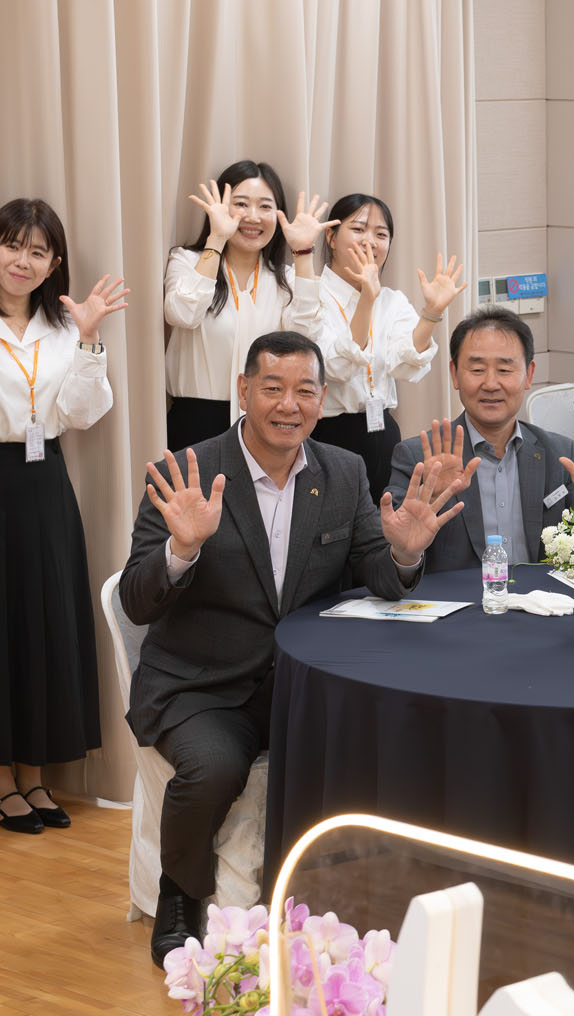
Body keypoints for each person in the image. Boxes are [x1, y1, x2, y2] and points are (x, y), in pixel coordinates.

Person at [123, 330, 469, 966]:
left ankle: (345, 896)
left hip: (304, 683)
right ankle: (179, 896)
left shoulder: (342, 471)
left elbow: (376, 571)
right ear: (243, 391)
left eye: (305, 391)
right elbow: (136, 600)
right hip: (203, 685)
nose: (289, 405)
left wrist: (404, 551)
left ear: (322, 397)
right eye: (273, 388)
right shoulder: (189, 471)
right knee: (213, 769)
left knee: (389, 743)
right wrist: (182, 549)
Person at [0, 197, 129, 835]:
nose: (22, 260)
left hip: (45, 484)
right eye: (12, 245)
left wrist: (90, 338)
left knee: (47, 621)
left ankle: (36, 774)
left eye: (37, 251)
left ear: (54, 264)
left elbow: (80, 413)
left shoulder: (64, 325)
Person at [385, 307, 574, 569]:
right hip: (459, 596)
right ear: (455, 374)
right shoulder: (418, 458)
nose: (491, 384)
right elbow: (390, 565)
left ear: (529, 375)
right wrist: (406, 553)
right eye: (477, 369)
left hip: (543, 595)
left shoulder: (560, 454)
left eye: (505, 370)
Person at [163, 161, 330, 451]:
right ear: (221, 208)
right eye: (241, 204)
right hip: (197, 420)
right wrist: (217, 238)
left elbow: (306, 339)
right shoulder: (187, 261)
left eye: (265, 207)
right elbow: (183, 314)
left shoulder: (287, 279)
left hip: (267, 422)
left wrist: (303, 253)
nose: (253, 217)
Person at [311, 192, 467, 502]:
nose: (370, 241)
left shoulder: (392, 300)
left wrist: (432, 312)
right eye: (358, 229)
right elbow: (334, 368)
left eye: (381, 235)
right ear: (331, 237)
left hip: (381, 431)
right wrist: (366, 299)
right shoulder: (310, 294)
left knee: (385, 522)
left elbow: (405, 365)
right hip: (327, 435)